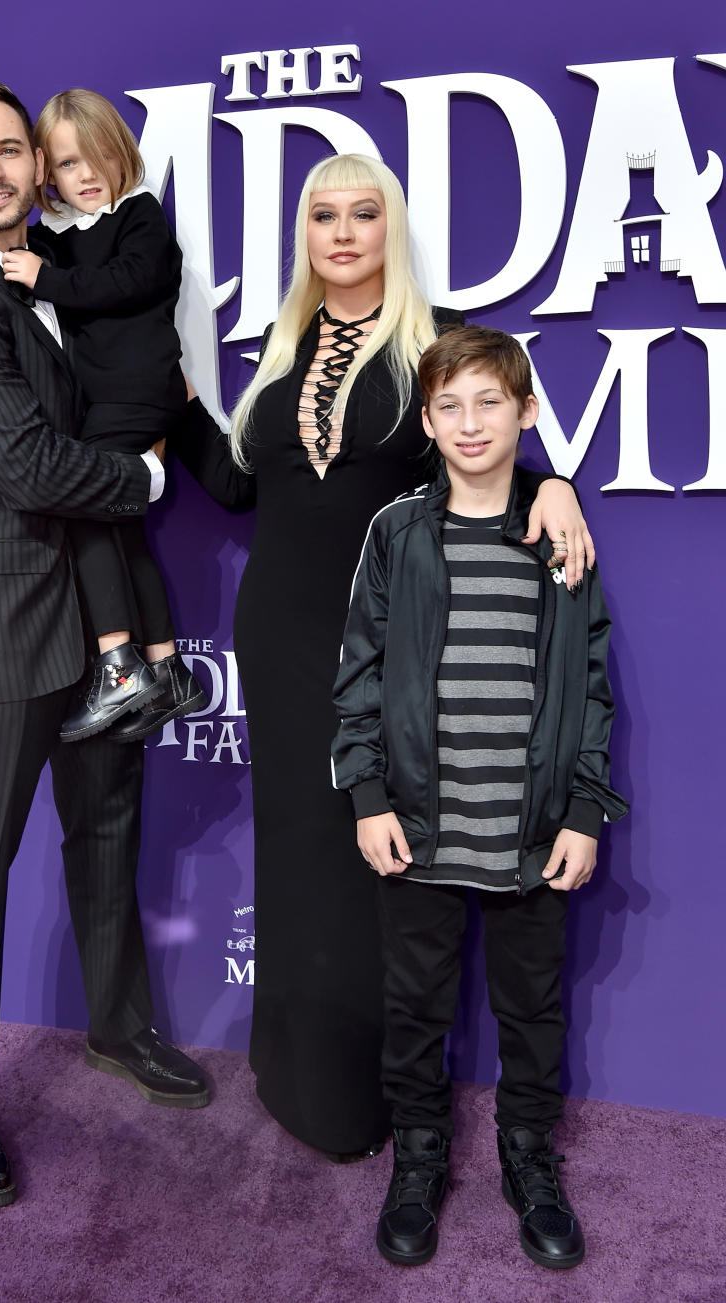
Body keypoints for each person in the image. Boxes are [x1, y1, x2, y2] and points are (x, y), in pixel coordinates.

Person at [171, 154, 595, 1160]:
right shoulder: (283, 350)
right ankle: (293, 1069)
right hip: (275, 634)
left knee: (379, 858)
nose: (345, 231)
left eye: (365, 212)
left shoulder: (432, 346)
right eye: (325, 214)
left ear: (390, 228)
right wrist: (173, 397)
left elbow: (481, 444)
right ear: (306, 235)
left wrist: (554, 486)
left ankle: (376, 1101)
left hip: (391, 637)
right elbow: (237, 488)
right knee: (296, 848)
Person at [0, 77, 208, 1208]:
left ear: (37, 165)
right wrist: (140, 475)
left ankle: (119, 1027)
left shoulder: (57, 278)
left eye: (7, 150)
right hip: (2, 621)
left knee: (109, 832)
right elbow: (28, 465)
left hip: (100, 615)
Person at [331, 325, 628, 1267]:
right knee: (415, 1004)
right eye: (449, 406)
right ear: (427, 419)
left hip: (531, 829)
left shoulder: (559, 533)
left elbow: (592, 684)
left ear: (526, 413)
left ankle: (528, 1156)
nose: (469, 423)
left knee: (532, 1008)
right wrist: (369, 792)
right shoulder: (398, 533)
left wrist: (584, 809)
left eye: (489, 403)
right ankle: (419, 1158)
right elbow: (359, 676)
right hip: (420, 825)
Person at [0, 88, 205, 742]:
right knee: (119, 529)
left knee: (84, 509)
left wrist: (40, 276)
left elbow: (127, 282)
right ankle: (166, 669)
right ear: (44, 175)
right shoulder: (64, 241)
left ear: (122, 155)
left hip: (136, 394)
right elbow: (24, 267)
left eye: (94, 159)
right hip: (109, 397)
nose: (82, 177)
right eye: (63, 165)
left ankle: (119, 665)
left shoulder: (141, 216)